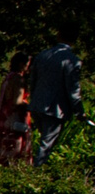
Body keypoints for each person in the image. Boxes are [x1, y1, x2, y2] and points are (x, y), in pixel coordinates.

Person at [31, 34, 82, 164]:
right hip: (55, 108)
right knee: (47, 143)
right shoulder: (71, 60)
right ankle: (37, 172)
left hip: (37, 104)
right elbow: (72, 89)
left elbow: (33, 80)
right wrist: (79, 110)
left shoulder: (42, 55)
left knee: (43, 139)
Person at [0, 50, 35, 166]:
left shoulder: (8, 78)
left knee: (2, 145)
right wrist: (33, 107)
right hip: (15, 118)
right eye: (28, 63)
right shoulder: (19, 79)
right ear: (21, 64)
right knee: (15, 146)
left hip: (4, 117)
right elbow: (17, 101)